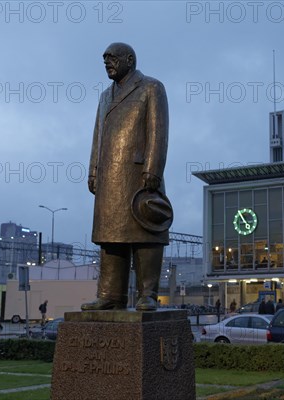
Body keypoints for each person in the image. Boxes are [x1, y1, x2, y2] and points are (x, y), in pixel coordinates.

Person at [81, 43, 172, 312]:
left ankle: (148, 294)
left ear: (129, 60)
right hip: (110, 177)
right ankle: (110, 294)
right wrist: (93, 170)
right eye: (104, 60)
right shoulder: (105, 97)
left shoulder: (151, 88)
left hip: (138, 174)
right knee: (110, 237)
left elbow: (158, 131)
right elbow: (98, 135)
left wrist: (153, 169)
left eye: (112, 58)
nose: (107, 63)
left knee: (146, 233)